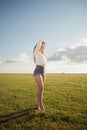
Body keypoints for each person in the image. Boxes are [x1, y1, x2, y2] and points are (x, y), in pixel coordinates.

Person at [33, 40, 47, 110]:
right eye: (42, 45)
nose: (43, 46)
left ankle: (38, 103)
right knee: (41, 88)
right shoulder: (36, 52)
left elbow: (45, 65)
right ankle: (40, 104)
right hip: (38, 71)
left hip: (43, 72)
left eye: (44, 46)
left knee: (40, 90)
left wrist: (45, 74)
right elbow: (39, 45)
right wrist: (41, 41)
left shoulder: (43, 55)